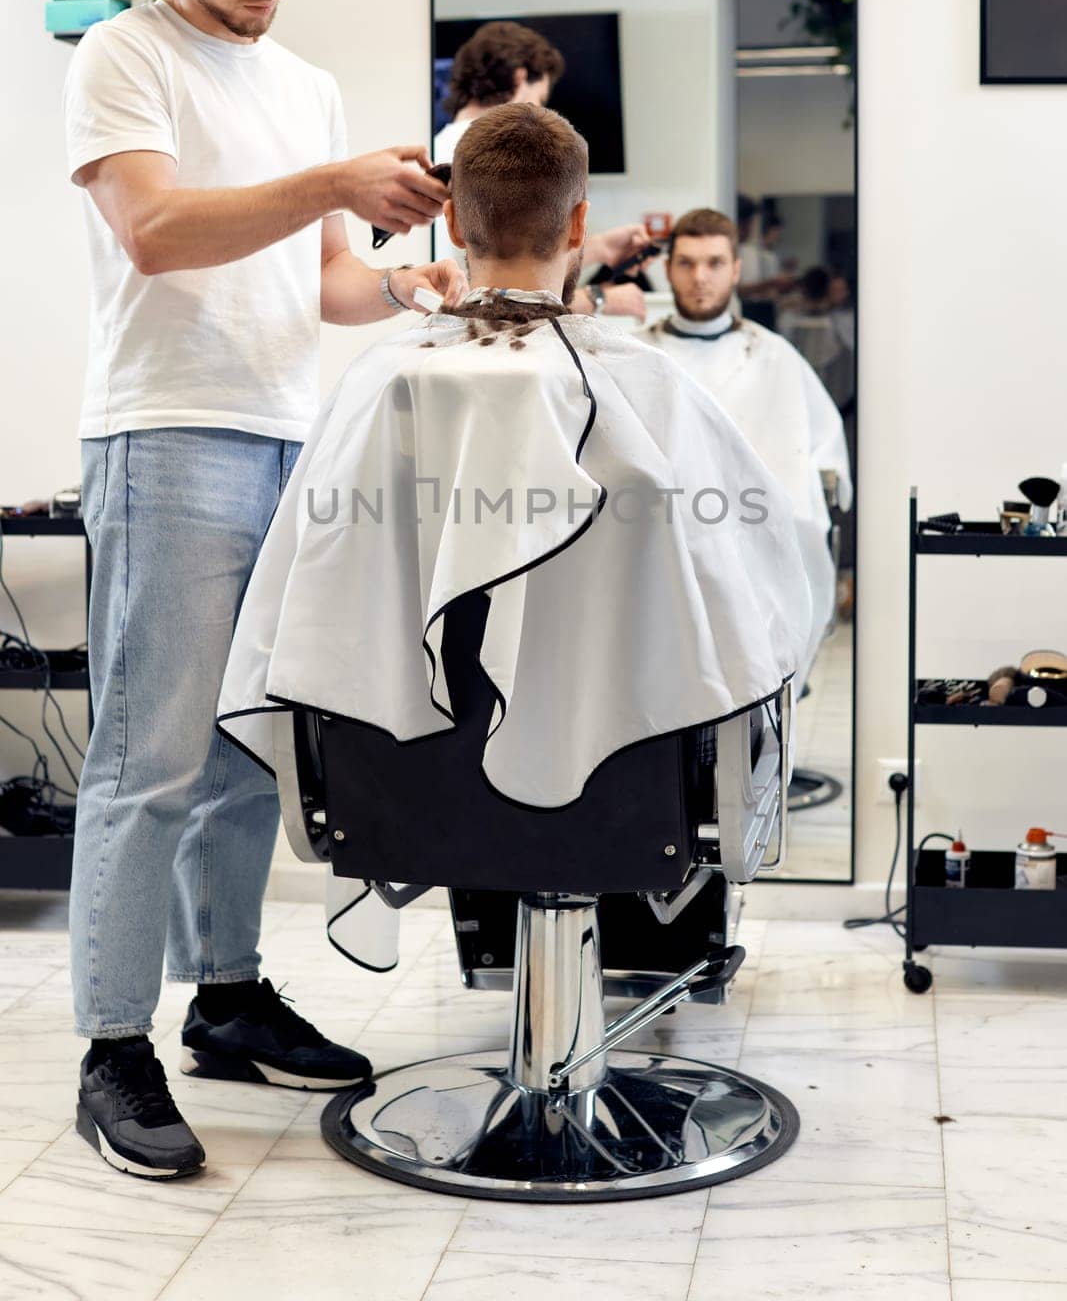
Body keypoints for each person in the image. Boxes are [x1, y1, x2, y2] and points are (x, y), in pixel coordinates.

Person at [64, 0, 466, 1182]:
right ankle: (112, 1043)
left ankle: (223, 998)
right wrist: (329, 185)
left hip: (287, 438)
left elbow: (324, 284)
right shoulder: (124, 54)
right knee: (149, 754)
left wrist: (406, 280)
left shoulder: (301, 85)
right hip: (167, 435)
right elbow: (159, 232)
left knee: (245, 747)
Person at [216, 105, 812, 969]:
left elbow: (295, 622)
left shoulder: (379, 390)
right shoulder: (645, 388)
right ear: (579, 225)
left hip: (404, 793)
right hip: (634, 801)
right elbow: (768, 602)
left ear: (451, 220)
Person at [638, 208, 851, 686]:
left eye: (714, 263)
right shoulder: (638, 356)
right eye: (687, 263)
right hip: (661, 546)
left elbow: (826, 453)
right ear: (668, 269)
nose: (700, 278)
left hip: (759, 544)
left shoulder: (775, 356)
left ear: (736, 269)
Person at [434, 21, 652, 318]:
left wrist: (598, 248)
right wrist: (596, 299)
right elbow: (495, 298)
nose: (540, 115)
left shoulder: (436, 149)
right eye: (539, 100)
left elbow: (516, 249)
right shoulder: (499, 157)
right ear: (520, 78)